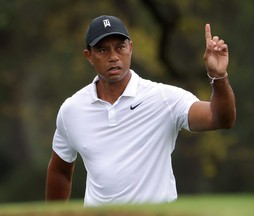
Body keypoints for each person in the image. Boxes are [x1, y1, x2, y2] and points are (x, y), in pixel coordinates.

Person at [45, 15, 236, 206]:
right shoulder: (72, 109)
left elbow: (219, 119)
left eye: (120, 47)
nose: (113, 57)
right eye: (103, 50)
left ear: (130, 48)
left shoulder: (164, 98)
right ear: (89, 56)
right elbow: (60, 171)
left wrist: (218, 77)